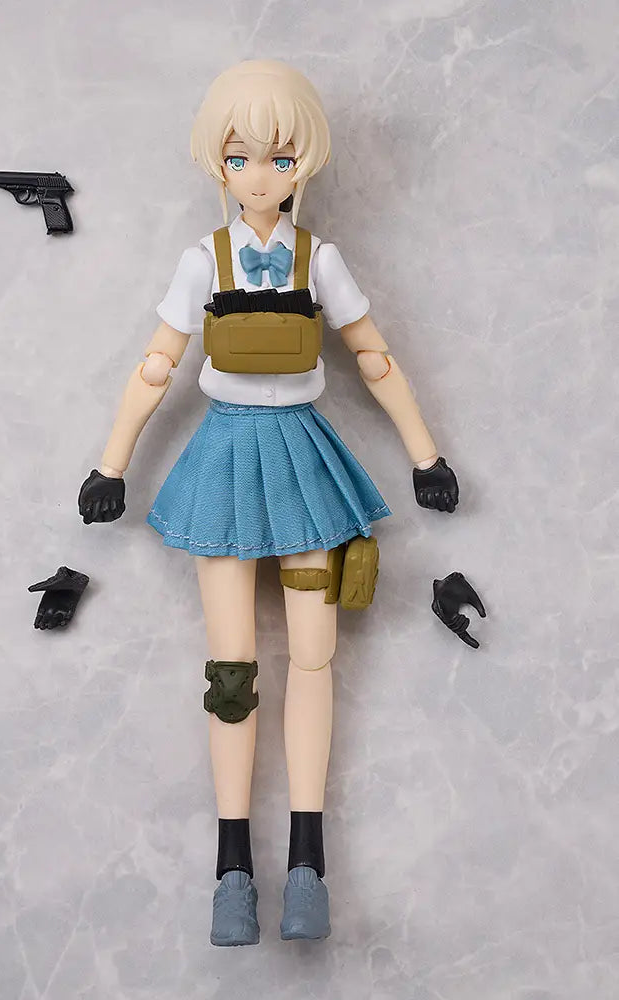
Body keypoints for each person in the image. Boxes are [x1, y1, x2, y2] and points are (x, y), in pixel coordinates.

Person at [78, 59, 459, 947]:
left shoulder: (318, 259)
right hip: (221, 462)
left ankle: (308, 865)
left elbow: (373, 355)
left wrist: (426, 453)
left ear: (304, 164)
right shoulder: (201, 261)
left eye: (280, 158)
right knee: (231, 670)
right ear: (217, 162)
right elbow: (157, 364)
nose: (259, 176)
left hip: (302, 462)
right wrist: (110, 464)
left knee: (315, 659)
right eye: (241, 157)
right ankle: (232, 872)